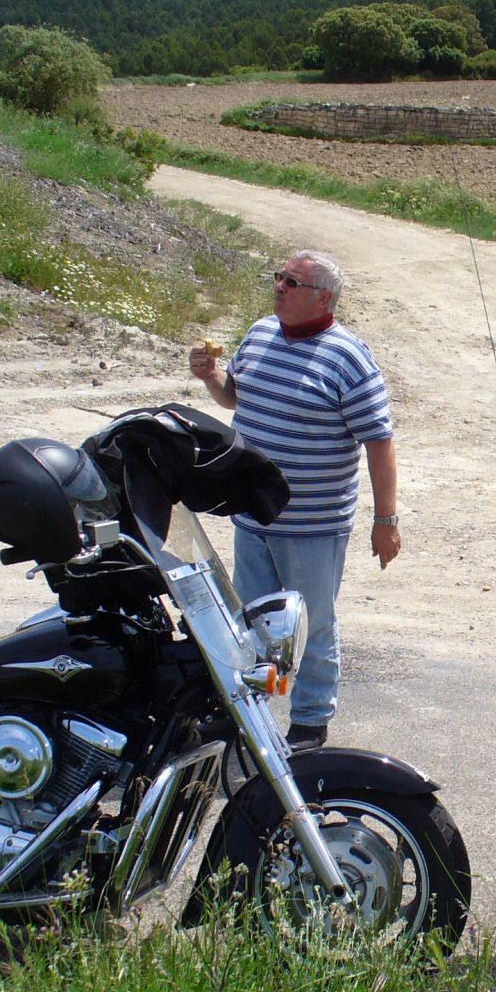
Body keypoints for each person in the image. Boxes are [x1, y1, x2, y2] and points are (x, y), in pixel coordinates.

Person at [188, 251, 400, 749]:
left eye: (292, 282)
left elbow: (379, 442)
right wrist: (211, 376)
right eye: (279, 278)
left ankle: (310, 722)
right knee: (251, 623)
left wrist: (386, 519)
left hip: (312, 526)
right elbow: (237, 397)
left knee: (313, 625)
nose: (279, 287)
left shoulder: (348, 358)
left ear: (323, 298)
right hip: (252, 516)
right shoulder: (260, 333)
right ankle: (249, 718)